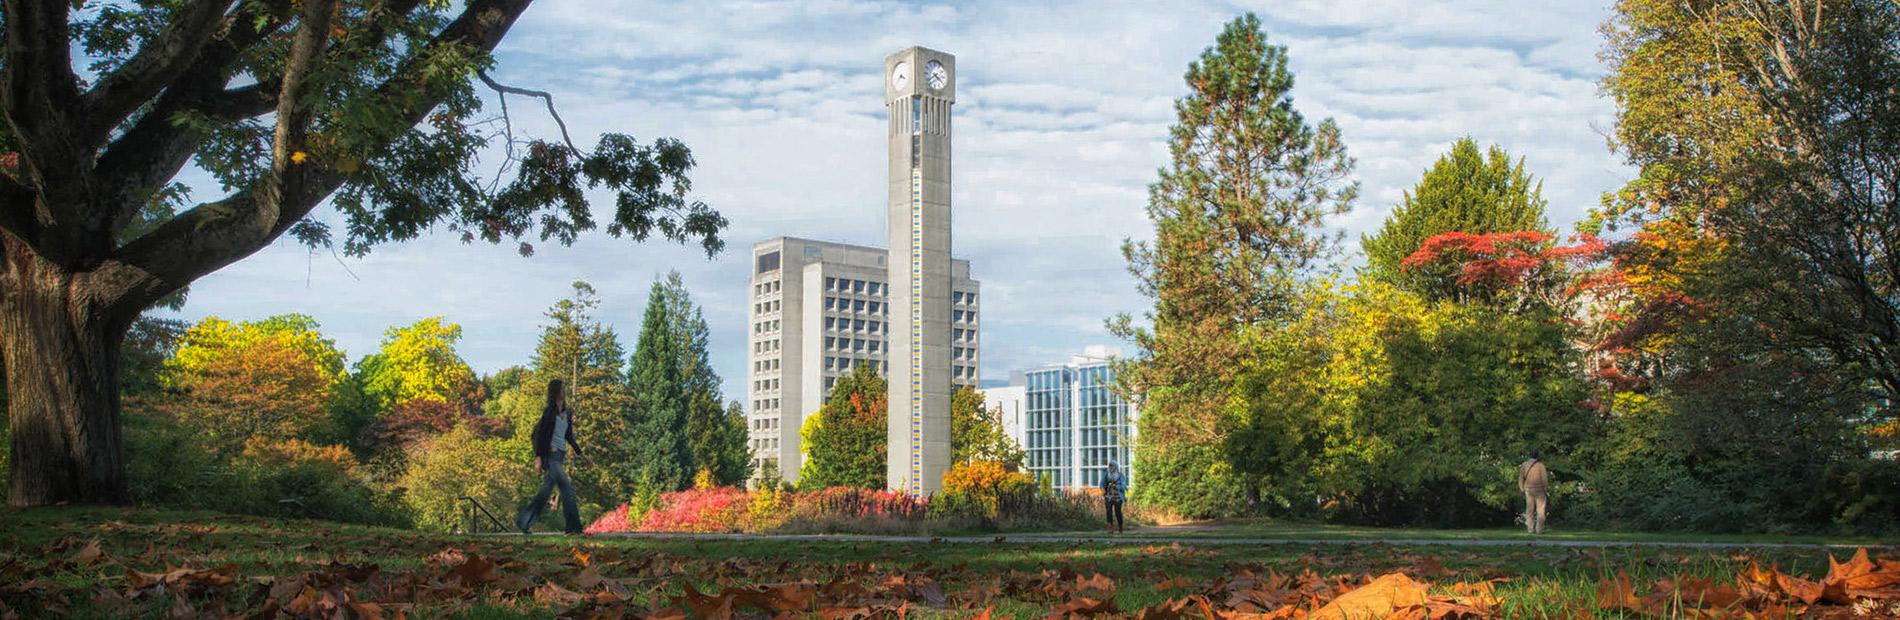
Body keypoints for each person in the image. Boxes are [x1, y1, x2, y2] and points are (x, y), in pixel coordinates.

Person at [515, 379, 591, 535]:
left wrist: (582, 455)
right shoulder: (549, 412)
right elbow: (541, 436)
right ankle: (574, 527)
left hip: (560, 455)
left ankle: (523, 521)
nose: (565, 391)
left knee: (545, 491)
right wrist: (538, 458)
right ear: (556, 391)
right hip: (550, 455)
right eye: (562, 388)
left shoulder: (567, 412)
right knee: (568, 489)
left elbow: (569, 436)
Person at [1517, 449, 1550, 534]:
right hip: (1539, 490)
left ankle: (1530, 529)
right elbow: (1544, 479)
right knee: (1541, 510)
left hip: (1528, 490)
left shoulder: (1524, 465)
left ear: (1529, 455)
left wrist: (1522, 489)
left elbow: (1521, 478)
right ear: (1537, 455)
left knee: (1529, 510)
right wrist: (1546, 488)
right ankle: (1539, 529)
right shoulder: (1540, 465)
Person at [1101, 461, 1128, 533]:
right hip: (1108, 495)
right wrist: (1103, 489)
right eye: (1109, 466)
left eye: (1112, 466)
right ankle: (1110, 528)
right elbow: (1102, 483)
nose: (1110, 468)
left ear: (1116, 467)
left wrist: (1117, 486)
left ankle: (1120, 525)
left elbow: (1124, 486)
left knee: (1117, 512)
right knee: (1108, 511)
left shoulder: (1120, 475)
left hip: (1118, 496)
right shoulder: (1106, 475)